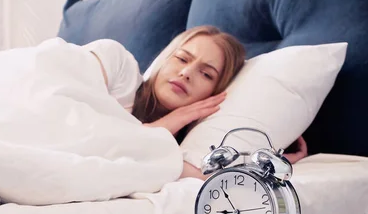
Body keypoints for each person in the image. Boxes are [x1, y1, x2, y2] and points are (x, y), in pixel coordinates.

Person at [81, 25, 308, 180]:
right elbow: (83, 137)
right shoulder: (118, 71)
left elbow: (207, 177)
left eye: (206, 74)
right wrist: (171, 121)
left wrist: (271, 163)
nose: (187, 72)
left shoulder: (175, 151)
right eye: (182, 58)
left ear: (215, 92)